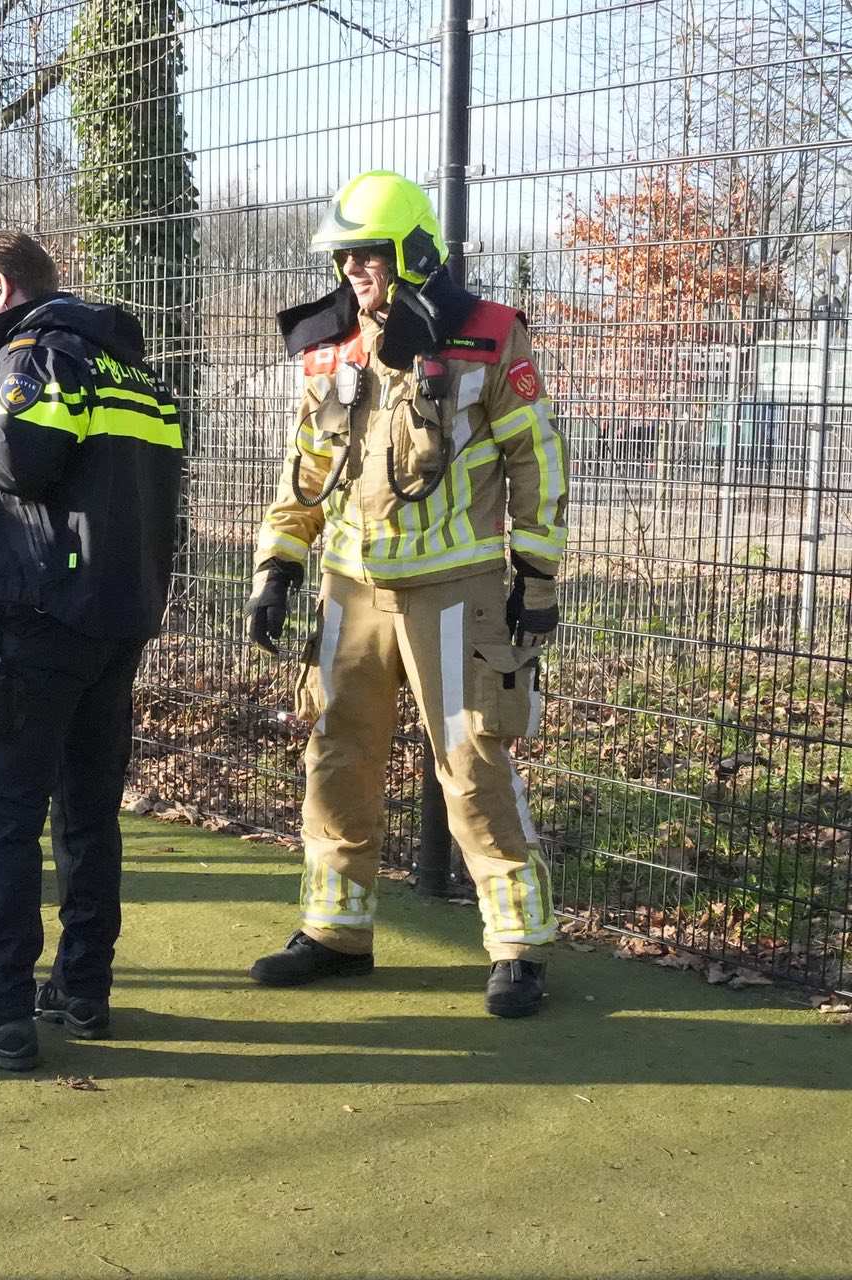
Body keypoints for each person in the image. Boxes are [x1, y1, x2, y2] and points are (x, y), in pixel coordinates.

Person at [245, 170, 569, 1018]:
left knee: (470, 764)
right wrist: (278, 565)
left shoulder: (492, 338)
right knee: (334, 754)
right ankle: (334, 933)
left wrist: (536, 577)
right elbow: (307, 465)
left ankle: (518, 946)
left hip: (455, 591)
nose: (355, 269)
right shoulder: (331, 348)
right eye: (346, 254)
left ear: (414, 252)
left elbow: (537, 458)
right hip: (348, 592)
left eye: (371, 253)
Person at [0, 231, 183, 1071]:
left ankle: (2, 1015)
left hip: (34, 616)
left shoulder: (33, 355)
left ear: (0, 290)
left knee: (3, 816)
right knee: (86, 814)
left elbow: (19, 459)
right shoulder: (134, 369)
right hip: (118, 617)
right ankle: (84, 987)